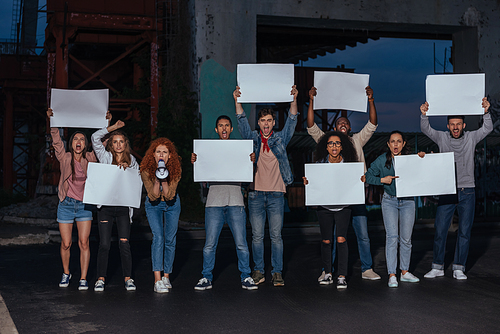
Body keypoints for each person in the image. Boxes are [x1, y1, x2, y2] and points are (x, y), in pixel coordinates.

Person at [307, 86, 381, 281]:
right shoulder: (326, 141)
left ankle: (366, 268)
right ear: (334, 128)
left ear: (349, 128)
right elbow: (310, 126)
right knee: (330, 236)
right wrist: (311, 100)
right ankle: (328, 270)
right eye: (339, 122)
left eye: (346, 123)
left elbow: (373, 124)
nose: (342, 124)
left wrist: (371, 100)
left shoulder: (357, 141)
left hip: (354, 195)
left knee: (362, 234)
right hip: (332, 197)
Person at [420, 97, 492, 280]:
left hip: (467, 190)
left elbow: (487, 128)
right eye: (452, 124)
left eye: (458, 124)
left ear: (464, 125)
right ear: (448, 126)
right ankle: (437, 267)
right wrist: (424, 114)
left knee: (465, 231)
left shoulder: (471, 137)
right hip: (447, 190)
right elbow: (425, 129)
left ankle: (459, 267)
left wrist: (486, 112)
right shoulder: (442, 137)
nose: (455, 127)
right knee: (440, 230)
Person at [234, 85, 298, 287]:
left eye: (269, 120)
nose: (266, 124)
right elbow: (242, 122)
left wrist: (294, 99)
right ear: (259, 123)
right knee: (257, 236)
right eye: (262, 121)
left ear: (273, 122)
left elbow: (292, 120)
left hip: (277, 194)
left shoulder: (280, 138)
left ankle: (277, 272)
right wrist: (237, 100)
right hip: (255, 194)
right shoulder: (252, 139)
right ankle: (259, 271)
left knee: (276, 236)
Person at [192, 115, 257, 291]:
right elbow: (201, 176)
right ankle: (206, 277)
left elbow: (248, 175)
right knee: (209, 245)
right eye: (220, 125)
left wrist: (250, 161)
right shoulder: (208, 150)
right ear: (216, 129)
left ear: (231, 128)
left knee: (241, 243)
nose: (224, 128)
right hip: (214, 202)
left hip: (235, 201)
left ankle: (246, 276)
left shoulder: (240, 149)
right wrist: (197, 162)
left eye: (227, 125)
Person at [364, 131, 423, 287]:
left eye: (399, 141)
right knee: (392, 238)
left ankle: (404, 272)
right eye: (392, 141)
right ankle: (392, 275)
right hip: (389, 201)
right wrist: (382, 179)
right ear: (388, 144)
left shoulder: (410, 160)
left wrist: (424, 159)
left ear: (403, 144)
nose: (395, 144)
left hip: (408, 201)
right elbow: (367, 177)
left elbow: (424, 173)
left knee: (406, 239)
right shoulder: (382, 160)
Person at [47, 108, 97, 291]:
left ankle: (83, 278)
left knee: (84, 242)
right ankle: (66, 273)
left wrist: (106, 123)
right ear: (72, 143)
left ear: (85, 144)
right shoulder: (65, 157)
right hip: (66, 204)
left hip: (85, 205)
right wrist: (53, 121)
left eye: (82, 139)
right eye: (76, 138)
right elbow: (56, 140)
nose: (79, 141)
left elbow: (101, 143)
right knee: (66, 243)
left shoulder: (91, 157)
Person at [303, 131, 357, 289]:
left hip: (343, 208)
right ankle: (327, 273)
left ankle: (341, 276)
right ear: (326, 147)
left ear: (342, 147)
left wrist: (360, 180)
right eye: (331, 143)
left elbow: (353, 184)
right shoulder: (319, 165)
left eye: (337, 143)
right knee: (326, 241)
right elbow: (315, 185)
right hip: (325, 208)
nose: (334, 146)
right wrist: (309, 183)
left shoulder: (349, 165)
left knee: (341, 240)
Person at [91, 115, 138, 292]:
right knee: (104, 244)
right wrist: (111, 128)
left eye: (121, 142)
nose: (118, 144)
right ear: (111, 143)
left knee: (124, 243)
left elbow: (136, 183)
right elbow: (95, 138)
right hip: (105, 208)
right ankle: (100, 278)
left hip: (123, 208)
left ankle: (128, 278)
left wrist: (129, 169)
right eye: (115, 141)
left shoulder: (132, 161)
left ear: (125, 144)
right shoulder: (104, 157)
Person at [140, 138, 182, 293]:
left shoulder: (176, 169)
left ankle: (166, 276)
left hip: (172, 204)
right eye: (158, 151)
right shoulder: (145, 170)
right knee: (158, 237)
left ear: (170, 155)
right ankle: (157, 280)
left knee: (170, 240)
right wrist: (158, 179)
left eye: (165, 151)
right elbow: (153, 197)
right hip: (154, 205)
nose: (161, 154)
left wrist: (165, 178)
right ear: (153, 154)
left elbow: (170, 196)